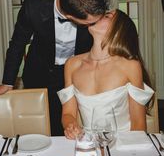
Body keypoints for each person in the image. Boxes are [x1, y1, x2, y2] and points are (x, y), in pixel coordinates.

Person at [0, 0, 110, 136]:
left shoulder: (90, 6)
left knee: (74, 119)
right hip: (40, 71)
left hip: (77, 70)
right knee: (41, 122)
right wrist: (8, 81)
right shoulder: (33, 7)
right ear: (69, 16)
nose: (95, 25)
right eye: (90, 23)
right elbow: (17, 44)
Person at [58, 9, 155, 139]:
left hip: (122, 143)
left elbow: (138, 124)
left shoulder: (130, 66)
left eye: (106, 15)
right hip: (87, 143)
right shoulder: (72, 64)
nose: (97, 16)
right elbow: (68, 113)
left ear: (118, 30)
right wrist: (70, 125)